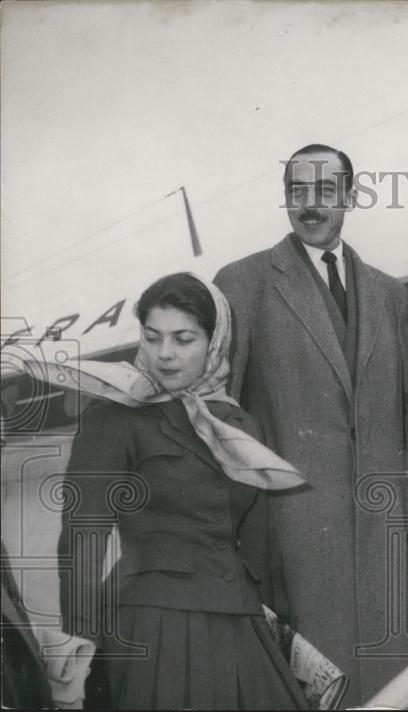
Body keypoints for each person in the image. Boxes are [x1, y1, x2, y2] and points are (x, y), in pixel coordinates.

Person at [213, 144, 408, 706]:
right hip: (296, 538)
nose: (310, 205)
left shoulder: (388, 292)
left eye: (326, 191)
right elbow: (220, 412)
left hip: (389, 533)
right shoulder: (242, 285)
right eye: (298, 192)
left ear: (351, 196)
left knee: (398, 690)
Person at [52, 273, 308, 709]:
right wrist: (79, 649)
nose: (165, 354)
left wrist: (285, 637)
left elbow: (260, 549)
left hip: (242, 627)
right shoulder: (115, 418)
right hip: (152, 627)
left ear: (214, 341)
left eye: (183, 339)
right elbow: (82, 539)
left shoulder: (242, 425)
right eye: (153, 338)